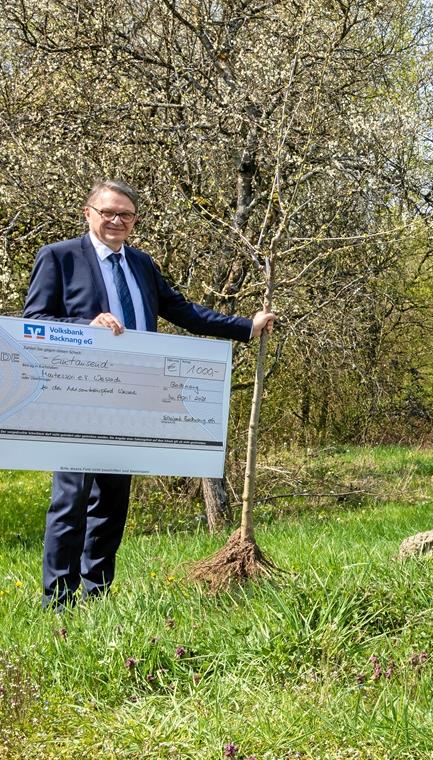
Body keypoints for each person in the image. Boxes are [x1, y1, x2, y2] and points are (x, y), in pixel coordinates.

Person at [24, 179, 276, 608]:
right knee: (71, 499)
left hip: (132, 400)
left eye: (125, 215)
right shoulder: (59, 257)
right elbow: (34, 320)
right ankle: (58, 602)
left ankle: (97, 593)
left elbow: (181, 310)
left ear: (134, 221)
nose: (116, 221)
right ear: (89, 213)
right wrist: (85, 328)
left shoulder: (141, 263)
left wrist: (244, 327)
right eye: (108, 212)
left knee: (113, 501)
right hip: (78, 399)